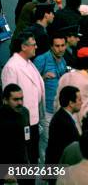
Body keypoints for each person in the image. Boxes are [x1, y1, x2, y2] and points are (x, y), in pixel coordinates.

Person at [1, 31, 45, 164]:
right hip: (21, 123)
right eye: (33, 44)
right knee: (25, 159)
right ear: (23, 47)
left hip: (33, 119)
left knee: (32, 157)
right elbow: (10, 99)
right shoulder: (12, 67)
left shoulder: (28, 63)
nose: (36, 47)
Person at [34, 33, 68, 156]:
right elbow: (32, 84)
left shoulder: (63, 60)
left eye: (63, 45)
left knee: (58, 144)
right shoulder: (41, 60)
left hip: (59, 110)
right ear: (51, 47)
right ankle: (43, 173)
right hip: (46, 111)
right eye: (57, 46)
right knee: (46, 144)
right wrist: (43, 77)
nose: (61, 49)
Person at [55, 47, 88, 127]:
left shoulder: (65, 77)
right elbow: (83, 111)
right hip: (75, 128)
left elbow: (56, 102)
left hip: (60, 123)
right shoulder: (85, 83)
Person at [46, 85, 81, 166]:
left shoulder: (62, 116)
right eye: (79, 100)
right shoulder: (65, 122)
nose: (81, 102)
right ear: (71, 103)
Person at [0, 84, 30, 166]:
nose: (20, 102)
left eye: (21, 99)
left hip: (23, 160)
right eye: (15, 99)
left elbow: (27, 136)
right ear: (5, 100)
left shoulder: (25, 112)